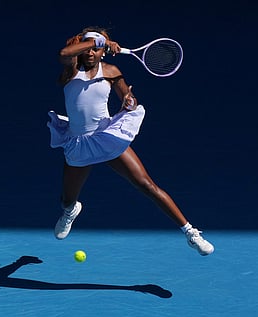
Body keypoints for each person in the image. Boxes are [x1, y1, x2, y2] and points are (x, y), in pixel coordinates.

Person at [47, 26, 214, 256]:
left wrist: (128, 101)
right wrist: (99, 42)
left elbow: (130, 99)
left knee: (147, 185)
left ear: (102, 53)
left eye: (97, 47)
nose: (91, 51)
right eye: (88, 45)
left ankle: (191, 233)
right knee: (67, 200)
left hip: (106, 137)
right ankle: (71, 211)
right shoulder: (71, 69)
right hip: (79, 144)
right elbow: (64, 53)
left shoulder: (111, 71)